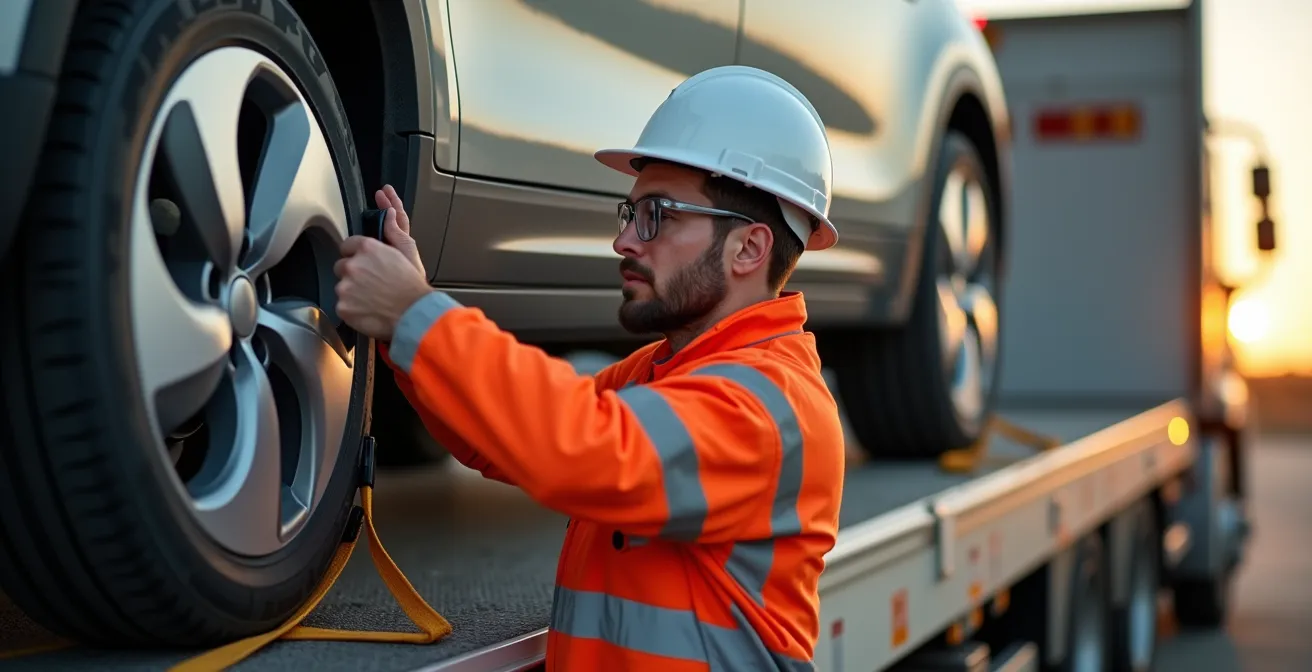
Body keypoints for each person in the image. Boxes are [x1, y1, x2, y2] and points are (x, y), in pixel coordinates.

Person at [333, 65, 846, 671]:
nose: (625, 243)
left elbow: (583, 447)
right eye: (629, 216)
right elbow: (501, 438)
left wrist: (419, 314)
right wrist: (403, 328)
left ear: (749, 249)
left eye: (657, 215)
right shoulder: (665, 371)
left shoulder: (774, 407)